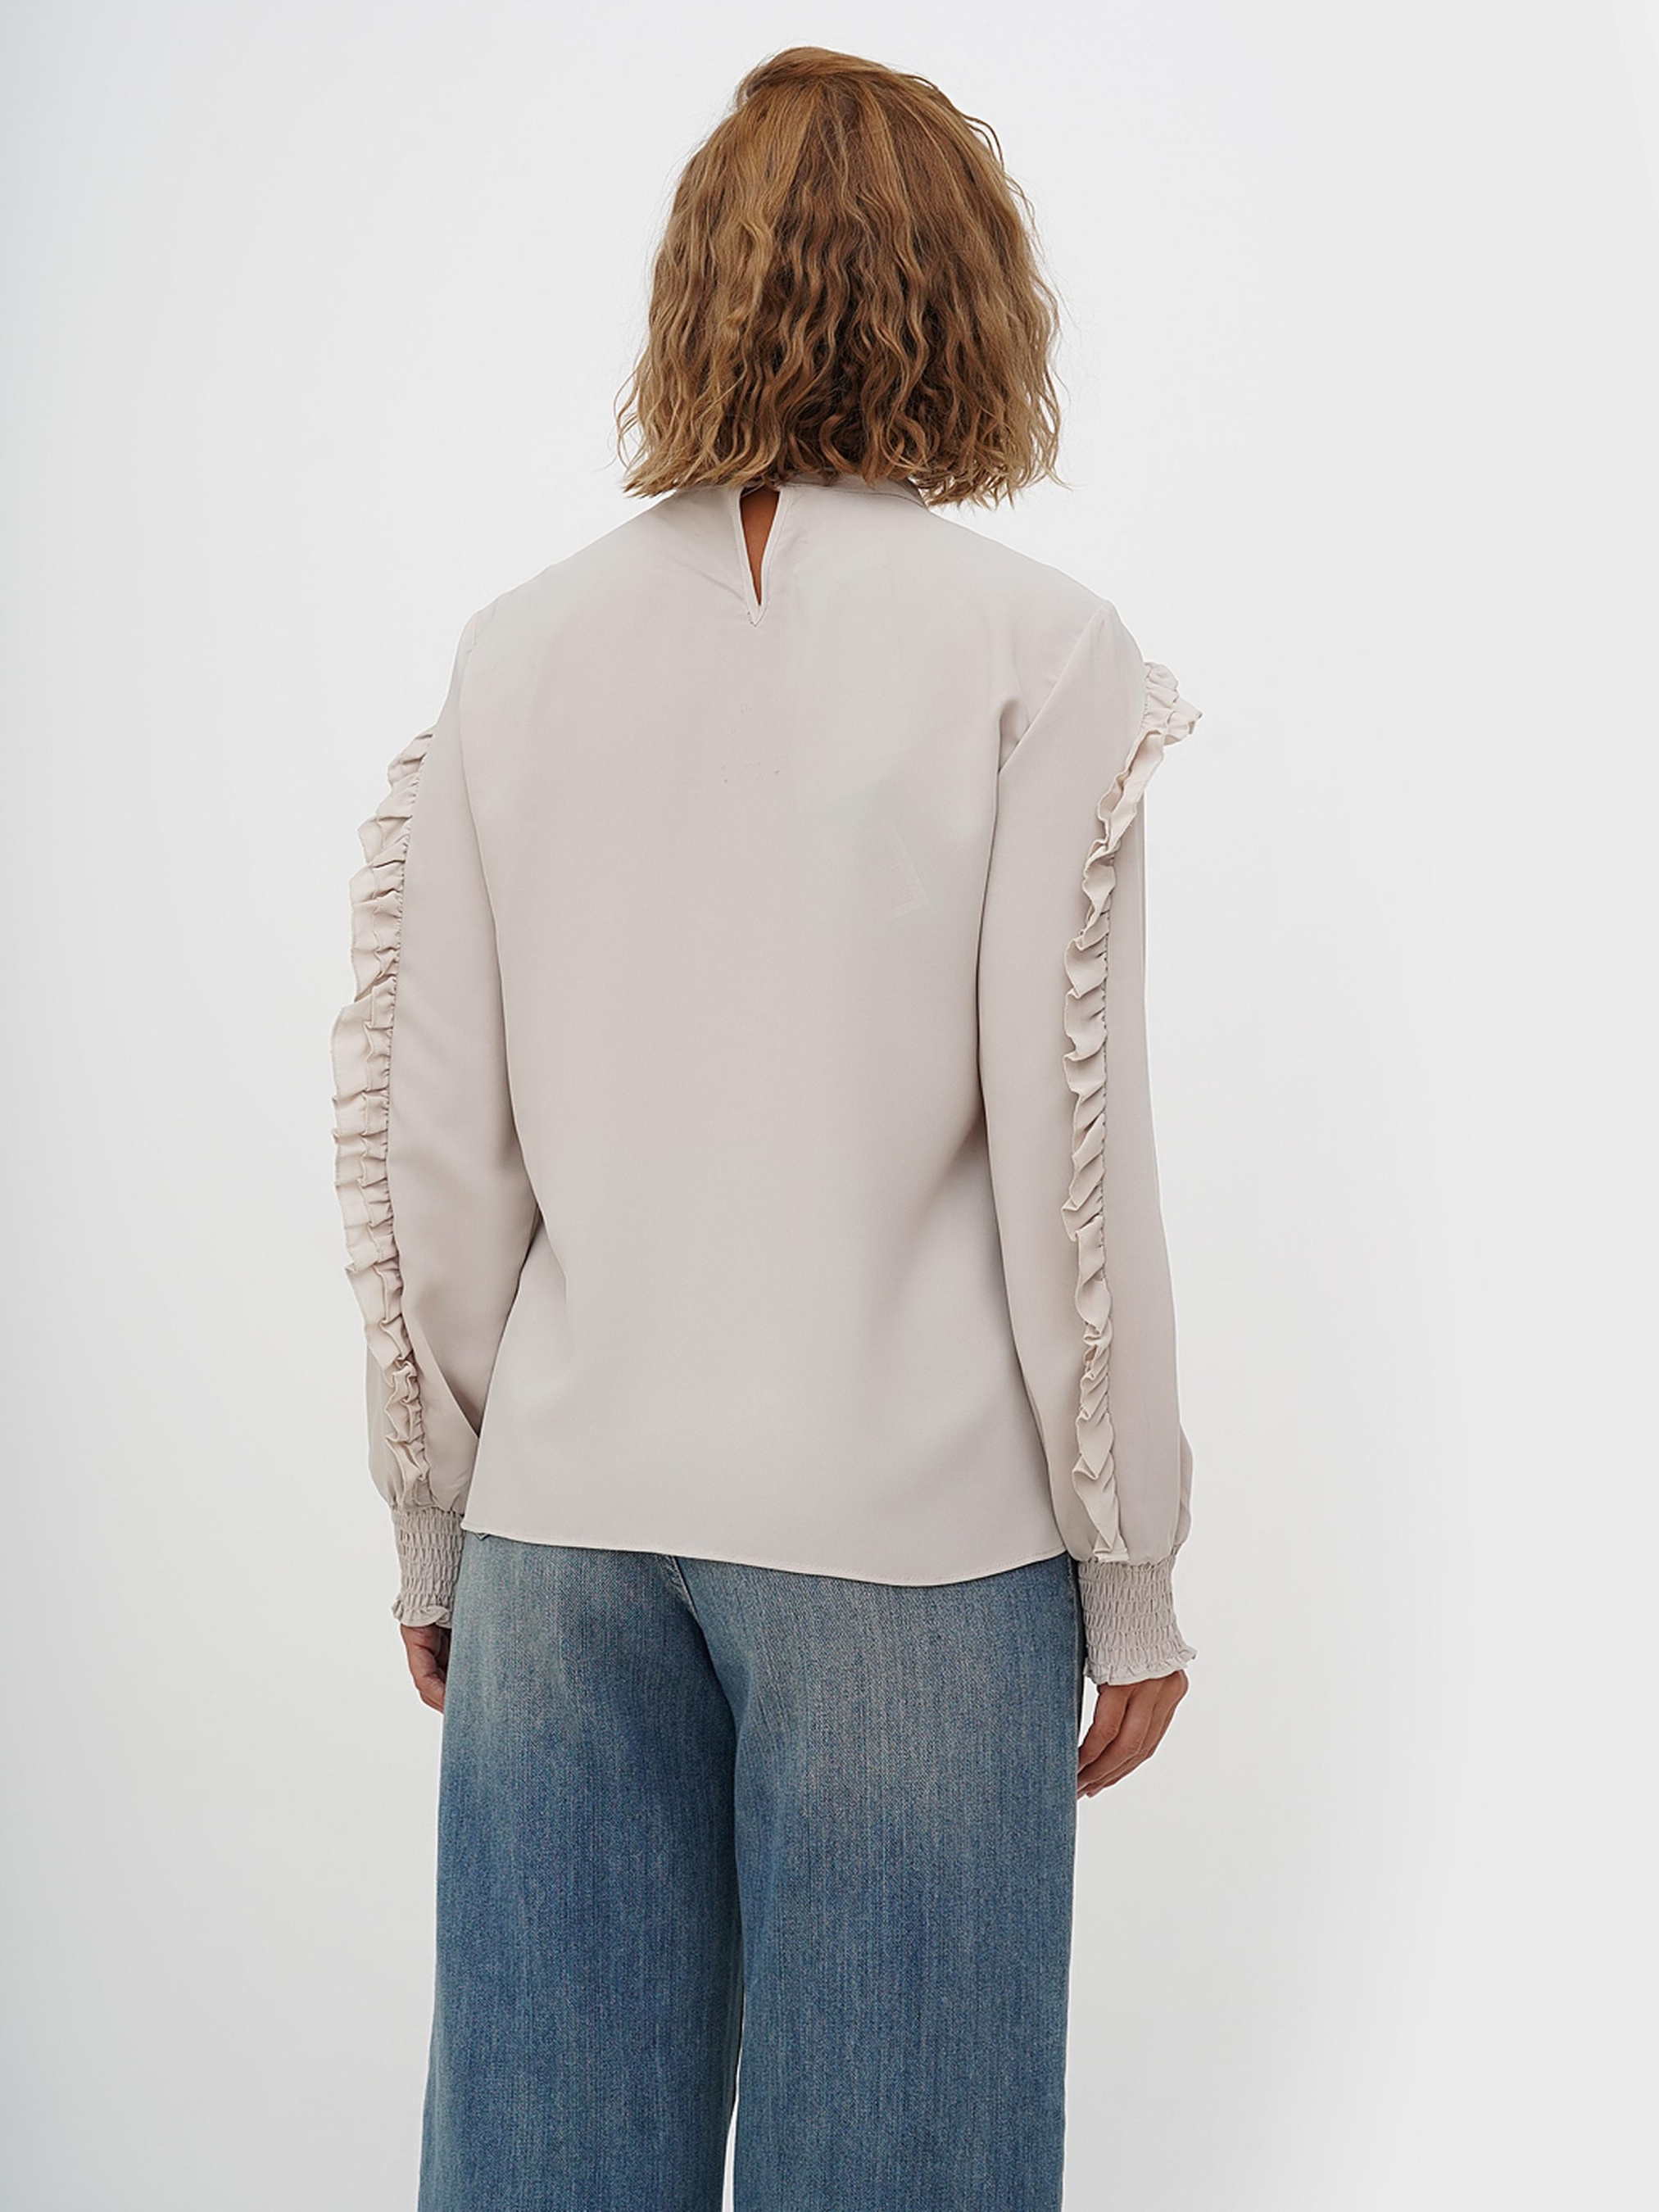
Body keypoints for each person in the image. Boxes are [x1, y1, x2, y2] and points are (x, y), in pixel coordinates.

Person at [329, 44, 1202, 2212]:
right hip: (910, 1546)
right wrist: (1130, 1564)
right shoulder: (1034, 652)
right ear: (971, 300)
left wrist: (440, 1514)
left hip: (565, 1532)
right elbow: (1075, 1167)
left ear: (695, 292)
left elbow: (439, 1142)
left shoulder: (518, 652)